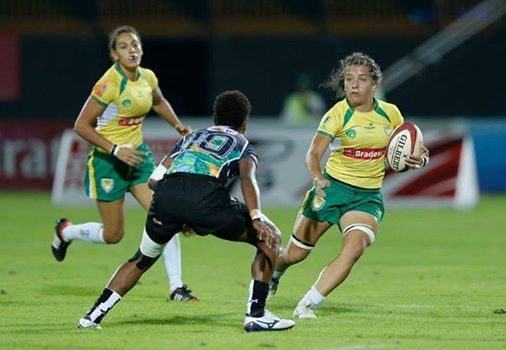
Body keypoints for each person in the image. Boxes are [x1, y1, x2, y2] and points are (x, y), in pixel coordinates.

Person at [77, 90, 295, 332]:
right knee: (270, 238)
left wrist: (180, 210)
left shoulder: (191, 138)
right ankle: (257, 314)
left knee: (141, 258)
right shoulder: (242, 143)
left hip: (165, 196)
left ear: (215, 118)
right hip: (205, 198)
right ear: (244, 121)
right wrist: (256, 216)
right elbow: (247, 178)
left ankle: (91, 317)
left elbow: (153, 180)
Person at [269, 52, 430, 318]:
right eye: (349, 80)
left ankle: (308, 303)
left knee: (355, 247)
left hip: (366, 197)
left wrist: (420, 159)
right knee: (295, 254)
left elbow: (419, 149)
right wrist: (318, 178)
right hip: (331, 190)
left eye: (362, 79)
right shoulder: (337, 114)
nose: (354, 85)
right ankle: (275, 270)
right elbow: (313, 153)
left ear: (374, 85)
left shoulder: (391, 114)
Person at [50, 25, 197, 302]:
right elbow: (81, 126)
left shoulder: (147, 77)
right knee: (113, 234)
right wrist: (115, 149)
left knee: (166, 215)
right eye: (124, 46)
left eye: (136, 44)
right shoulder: (108, 84)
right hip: (108, 163)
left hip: (138, 160)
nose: (132, 50)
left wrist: (178, 126)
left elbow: (159, 101)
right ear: (114, 54)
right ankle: (66, 231)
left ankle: (177, 287)